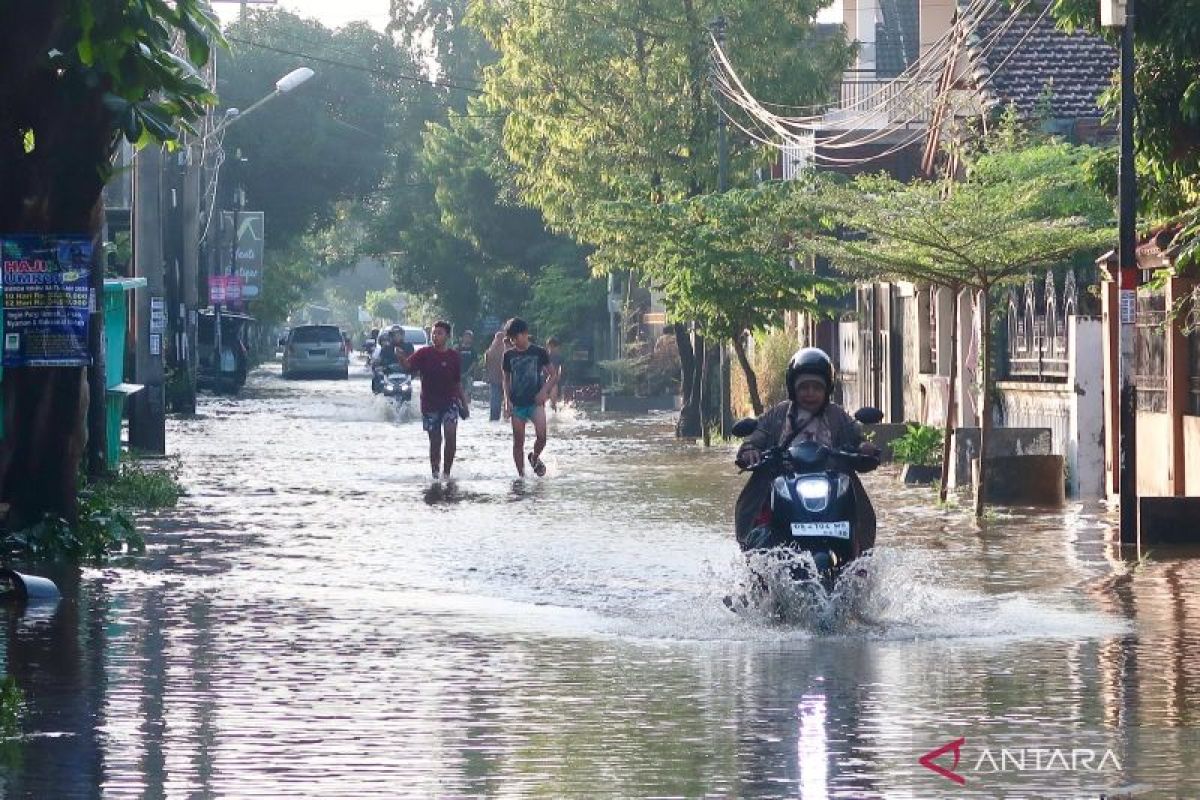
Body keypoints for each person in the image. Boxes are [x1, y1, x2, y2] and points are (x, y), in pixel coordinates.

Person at [733, 347, 880, 553]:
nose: (810, 393)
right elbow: (757, 438)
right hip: (784, 484)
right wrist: (750, 451)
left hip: (832, 487)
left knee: (858, 515)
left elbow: (857, 440)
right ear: (793, 389)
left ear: (827, 390)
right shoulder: (778, 414)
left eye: (817, 388)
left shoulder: (837, 415)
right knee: (758, 519)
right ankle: (759, 564)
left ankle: (858, 560)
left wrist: (865, 448)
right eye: (804, 387)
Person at [399, 320, 466, 480]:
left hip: (450, 402)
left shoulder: (453, 356)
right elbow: (408, 367)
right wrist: (401, 358)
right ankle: (435, 474)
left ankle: (447, 474)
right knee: (435, 440)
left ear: (447, 336)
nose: (435, 336)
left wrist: (464, 403)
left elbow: (457, 382)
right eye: (433, 333)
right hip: (429, 404)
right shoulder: (424, 353)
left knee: (450, 436)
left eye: (439, 333)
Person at [501, 317, 558, 477]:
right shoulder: (508, 355)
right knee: (518, 441)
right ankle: (521, 476)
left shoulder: (539, 352)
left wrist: (544, 392)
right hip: (517, 404)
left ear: (525, 334)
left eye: (515, 337)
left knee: (542, 437)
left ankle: (534, 456)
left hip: (535, 402)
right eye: (511, 339)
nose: (513, 342)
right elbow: (505, 379)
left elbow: (553, 375)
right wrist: (507, 402)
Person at [483, 329, 509, 421]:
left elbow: (485, 366)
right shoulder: (507, 351)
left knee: (496, 402)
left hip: (499, 380)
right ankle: (504, 419)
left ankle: (496, 420)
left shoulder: (490, 352)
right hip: (502, 380)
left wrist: (486, 376)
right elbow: (486, 366)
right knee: (503, 401)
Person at [545, 336, 564, 411]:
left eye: (554, 346)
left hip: (554, 382)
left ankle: (555, 417)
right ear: (548, 346)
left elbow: (561, 367)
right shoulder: (545, 356)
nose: (552, 348)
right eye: (551, 346)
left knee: (553, 402)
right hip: (545, 381)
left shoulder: (559, 357)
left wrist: (559, 375)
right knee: (543, 402)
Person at [457, 329, 477, 399]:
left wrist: (468, 372)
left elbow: (474, 362)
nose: (467, 338)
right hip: (459, 374)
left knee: (468, 392)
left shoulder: (473, 350)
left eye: (469, 337)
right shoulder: (458, 348)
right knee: (459, 392)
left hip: (469, 375)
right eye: (465, 336)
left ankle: (466, 407)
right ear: (462, 338)